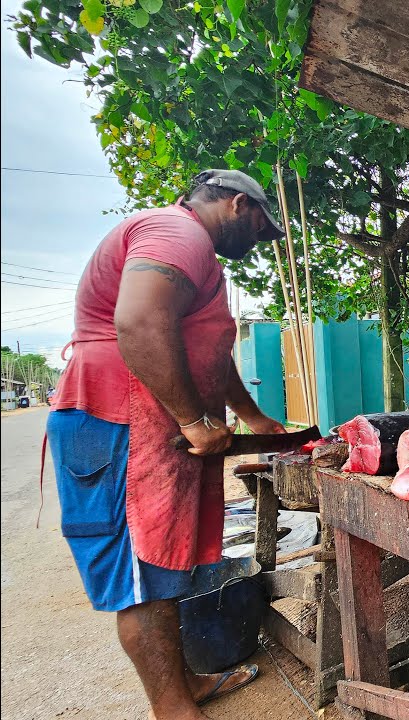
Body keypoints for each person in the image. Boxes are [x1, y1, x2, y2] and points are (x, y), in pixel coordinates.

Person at [48, 169, 288, 720]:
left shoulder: (192, 249)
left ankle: (185, 686)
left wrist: (251, 416)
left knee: (161, 568)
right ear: (237, 204)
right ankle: (174, 709)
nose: (260, 240)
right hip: (120, 424)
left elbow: (207, 350)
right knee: (144, 577)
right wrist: (195, 420)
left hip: (145, 429)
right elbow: (138, 324)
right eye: (261, 226)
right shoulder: (175, 232)